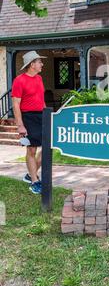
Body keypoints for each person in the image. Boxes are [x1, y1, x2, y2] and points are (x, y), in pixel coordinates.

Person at [12, 51, 47, 194]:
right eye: (39, 62)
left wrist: (47, 115)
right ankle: (34, 181)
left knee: (47, 148)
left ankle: (30, 174)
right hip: (28, 117)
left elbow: (41, 99)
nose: (42, 64)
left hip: (42, 116)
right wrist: (20, 125)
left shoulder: (39, 78)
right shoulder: (19, 81)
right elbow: (15, 104)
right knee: (31, 149)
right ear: (32, 64)